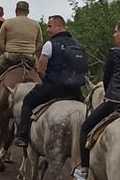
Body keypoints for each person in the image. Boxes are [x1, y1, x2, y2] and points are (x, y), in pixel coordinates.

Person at [73, 20, 120, 180]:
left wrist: (110, 94)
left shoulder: (114, 53)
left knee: (85, 128)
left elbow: (107, 80)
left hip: (115, 101)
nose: (114, 35)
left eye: (116, 32)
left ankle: (84, 169)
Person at [14, 15, 87, 147]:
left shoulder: (50, 44)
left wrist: (46, 81)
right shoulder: (79, 45)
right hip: (75, 91)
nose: (47, 29)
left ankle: (22, 135)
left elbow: (41, 69)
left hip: (54, 89)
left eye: (49, 26)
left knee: (28, 101)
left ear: (59, 26)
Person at [0, 0, 43, 98]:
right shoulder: (36, 24)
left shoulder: (8, 23)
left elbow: (0, 43)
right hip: (30, 57)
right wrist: (31, 51)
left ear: (16, 11)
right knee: (41, 74)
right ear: (28, 12)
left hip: (10, 56)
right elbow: (40, 43)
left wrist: (5, 52)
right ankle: (44, 97)